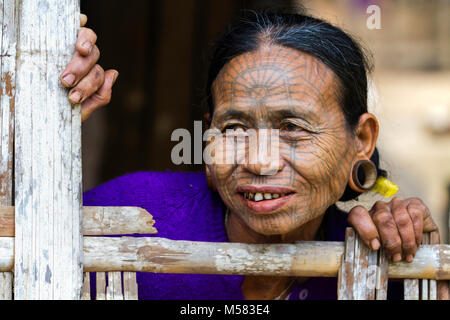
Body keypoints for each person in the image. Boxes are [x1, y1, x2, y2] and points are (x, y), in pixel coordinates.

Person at [62, 12, 445, 300]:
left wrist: (423, 266)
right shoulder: (131, 214)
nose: (260, 162)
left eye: (293, 127)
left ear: (361, 138)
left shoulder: (379, 264)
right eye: (234, 130)